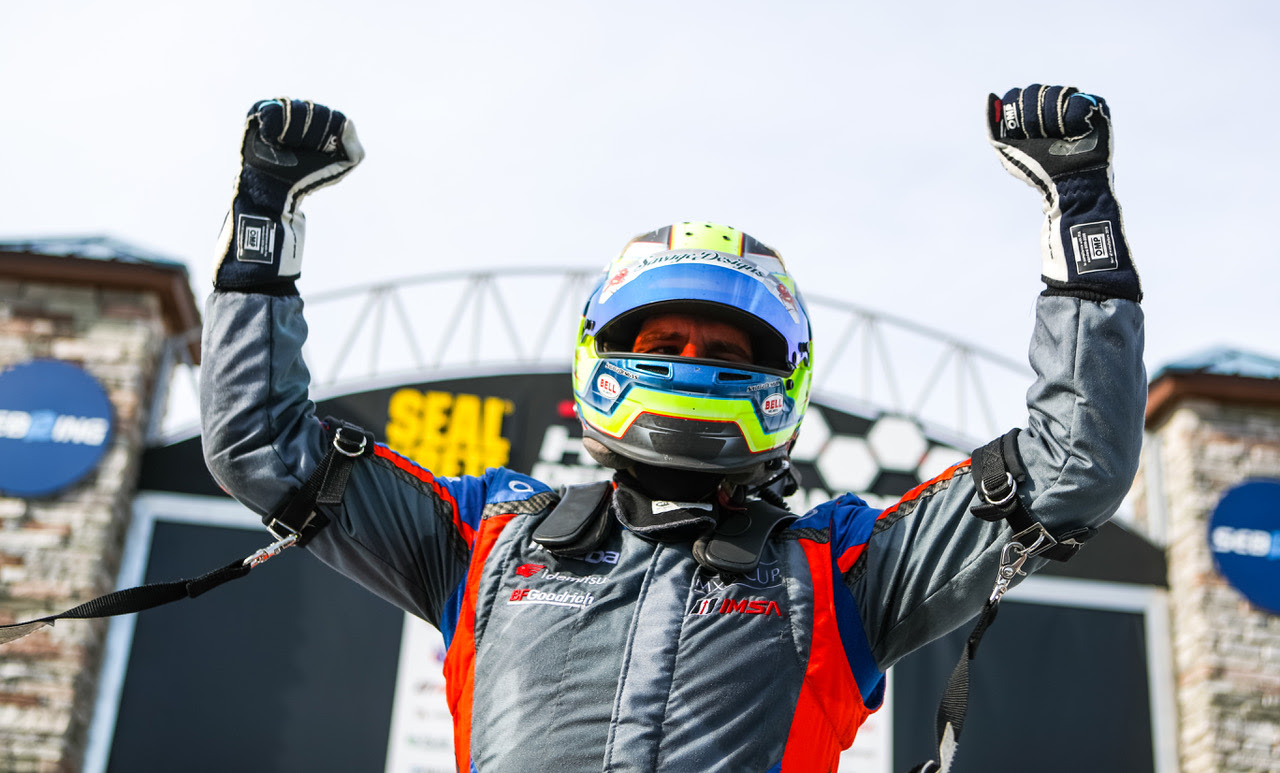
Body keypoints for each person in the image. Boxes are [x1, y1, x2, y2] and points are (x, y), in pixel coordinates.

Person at [201, 86, 1145, 772]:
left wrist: (1083, 223)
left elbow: (1071, 467)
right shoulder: (492, 540)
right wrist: (261, 228)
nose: (692, 361)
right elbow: (262, 449)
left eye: (727, 347)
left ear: (784, 379)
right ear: (601, 353)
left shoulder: (841, 572)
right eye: (665, 338)